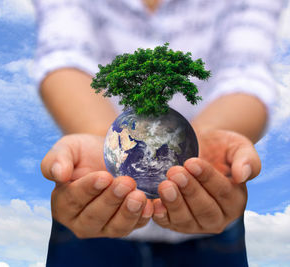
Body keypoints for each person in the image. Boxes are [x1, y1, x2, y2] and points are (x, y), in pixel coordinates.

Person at [33, 0, 285, 266]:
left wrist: (213, 134)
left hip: (211, 219)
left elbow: (246, 70)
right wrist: (99, 134)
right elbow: (62, 53)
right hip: (90, 211)